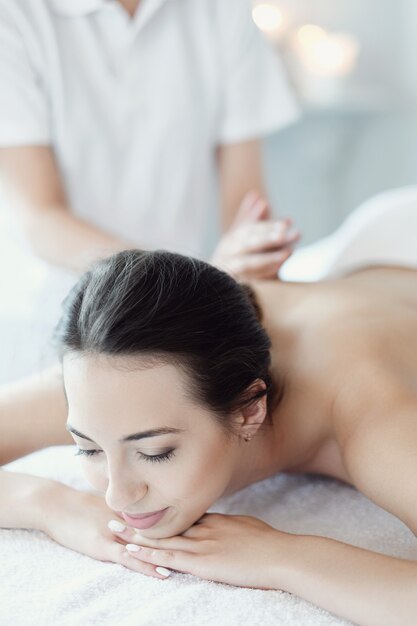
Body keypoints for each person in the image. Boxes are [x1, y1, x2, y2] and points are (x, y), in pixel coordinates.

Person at [1, 240, 417, 625]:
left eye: (156, 452)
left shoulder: (374, 419)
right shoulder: (118, 373)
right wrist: (50, 505)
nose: (116, 496)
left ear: (249, 410)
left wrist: (284, 557)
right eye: (86, 448)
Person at [0, 0, 299, 278]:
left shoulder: (223, 9)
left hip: (178, 309)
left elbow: (245, 206)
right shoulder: (13, 14)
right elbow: (42, 218)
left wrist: (253, 257)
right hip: (52, 307)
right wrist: (193, 282)